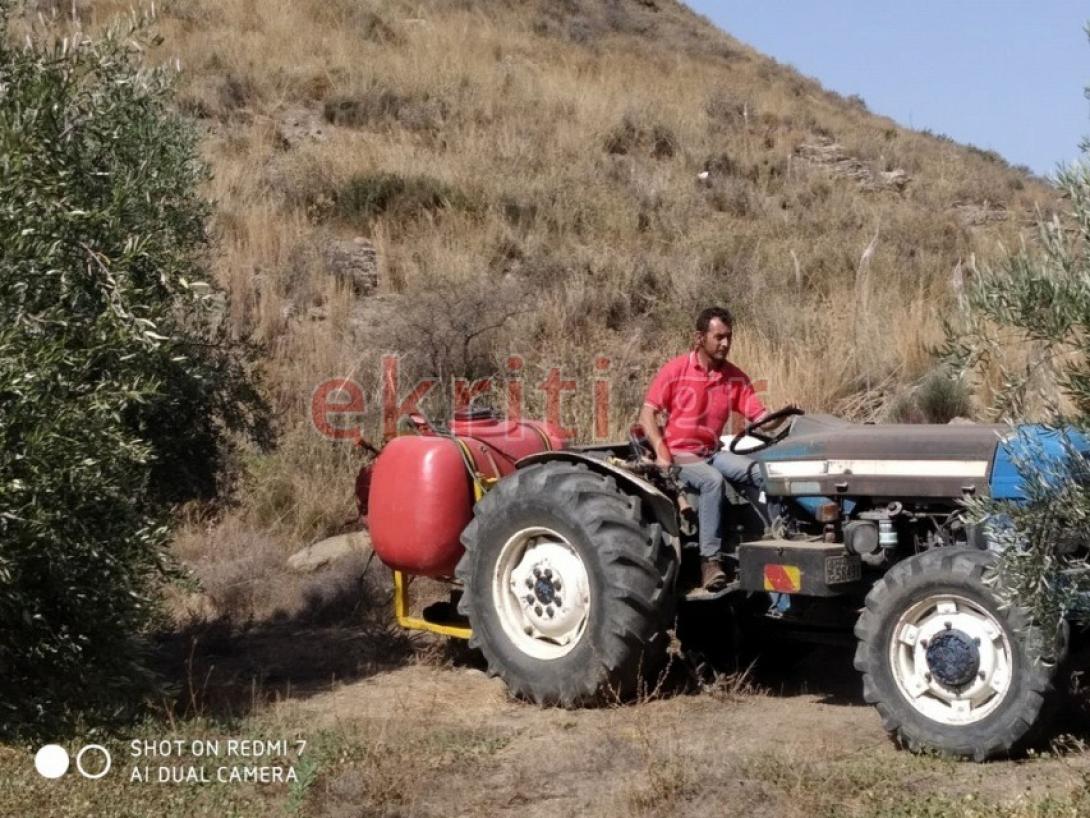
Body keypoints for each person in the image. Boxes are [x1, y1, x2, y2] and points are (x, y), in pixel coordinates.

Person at [638, 306, 776, 592]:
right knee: (712, 482)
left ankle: (779, 540)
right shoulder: (676, 370)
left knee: (762, 472)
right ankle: (709, 562)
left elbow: (759, 416)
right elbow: (647, 414)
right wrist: (661, 450)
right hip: (680, 454)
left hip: (712, 453)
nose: (725, 343)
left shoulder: (734, 377)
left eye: (729, 337)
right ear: (700, 337)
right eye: (719, 337)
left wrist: (780, 420)